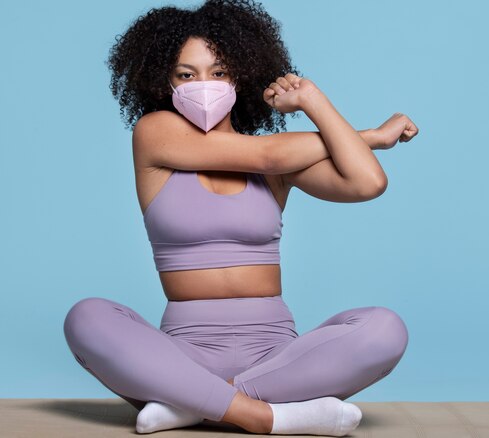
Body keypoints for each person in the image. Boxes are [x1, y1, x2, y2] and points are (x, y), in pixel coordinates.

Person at [63, 0, 418, 435]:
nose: (204, 85)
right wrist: (373, 136)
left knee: (385, 329)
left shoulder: (285, 162)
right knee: (87, 317)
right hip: (184, 352)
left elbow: (367, 183)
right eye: (186, 74)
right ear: (164, 82)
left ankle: (196, 403)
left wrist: (311, 99)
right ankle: (264, 416)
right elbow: (268, 153)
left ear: (241, 76)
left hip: (279, 359)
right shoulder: (155, 132)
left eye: (219, 71)